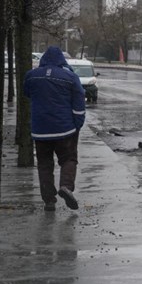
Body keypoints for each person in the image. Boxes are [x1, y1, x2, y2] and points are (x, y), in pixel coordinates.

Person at [23, 46, 85, 211]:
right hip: (64, 129)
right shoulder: (70, 77)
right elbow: (79, 102)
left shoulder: (31, 76)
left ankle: (49, 201)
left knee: (44, 164)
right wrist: (77, 124)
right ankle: (65, 186)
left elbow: (27, 93)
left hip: (40, 130)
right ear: (61, 61)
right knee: (69, 159)